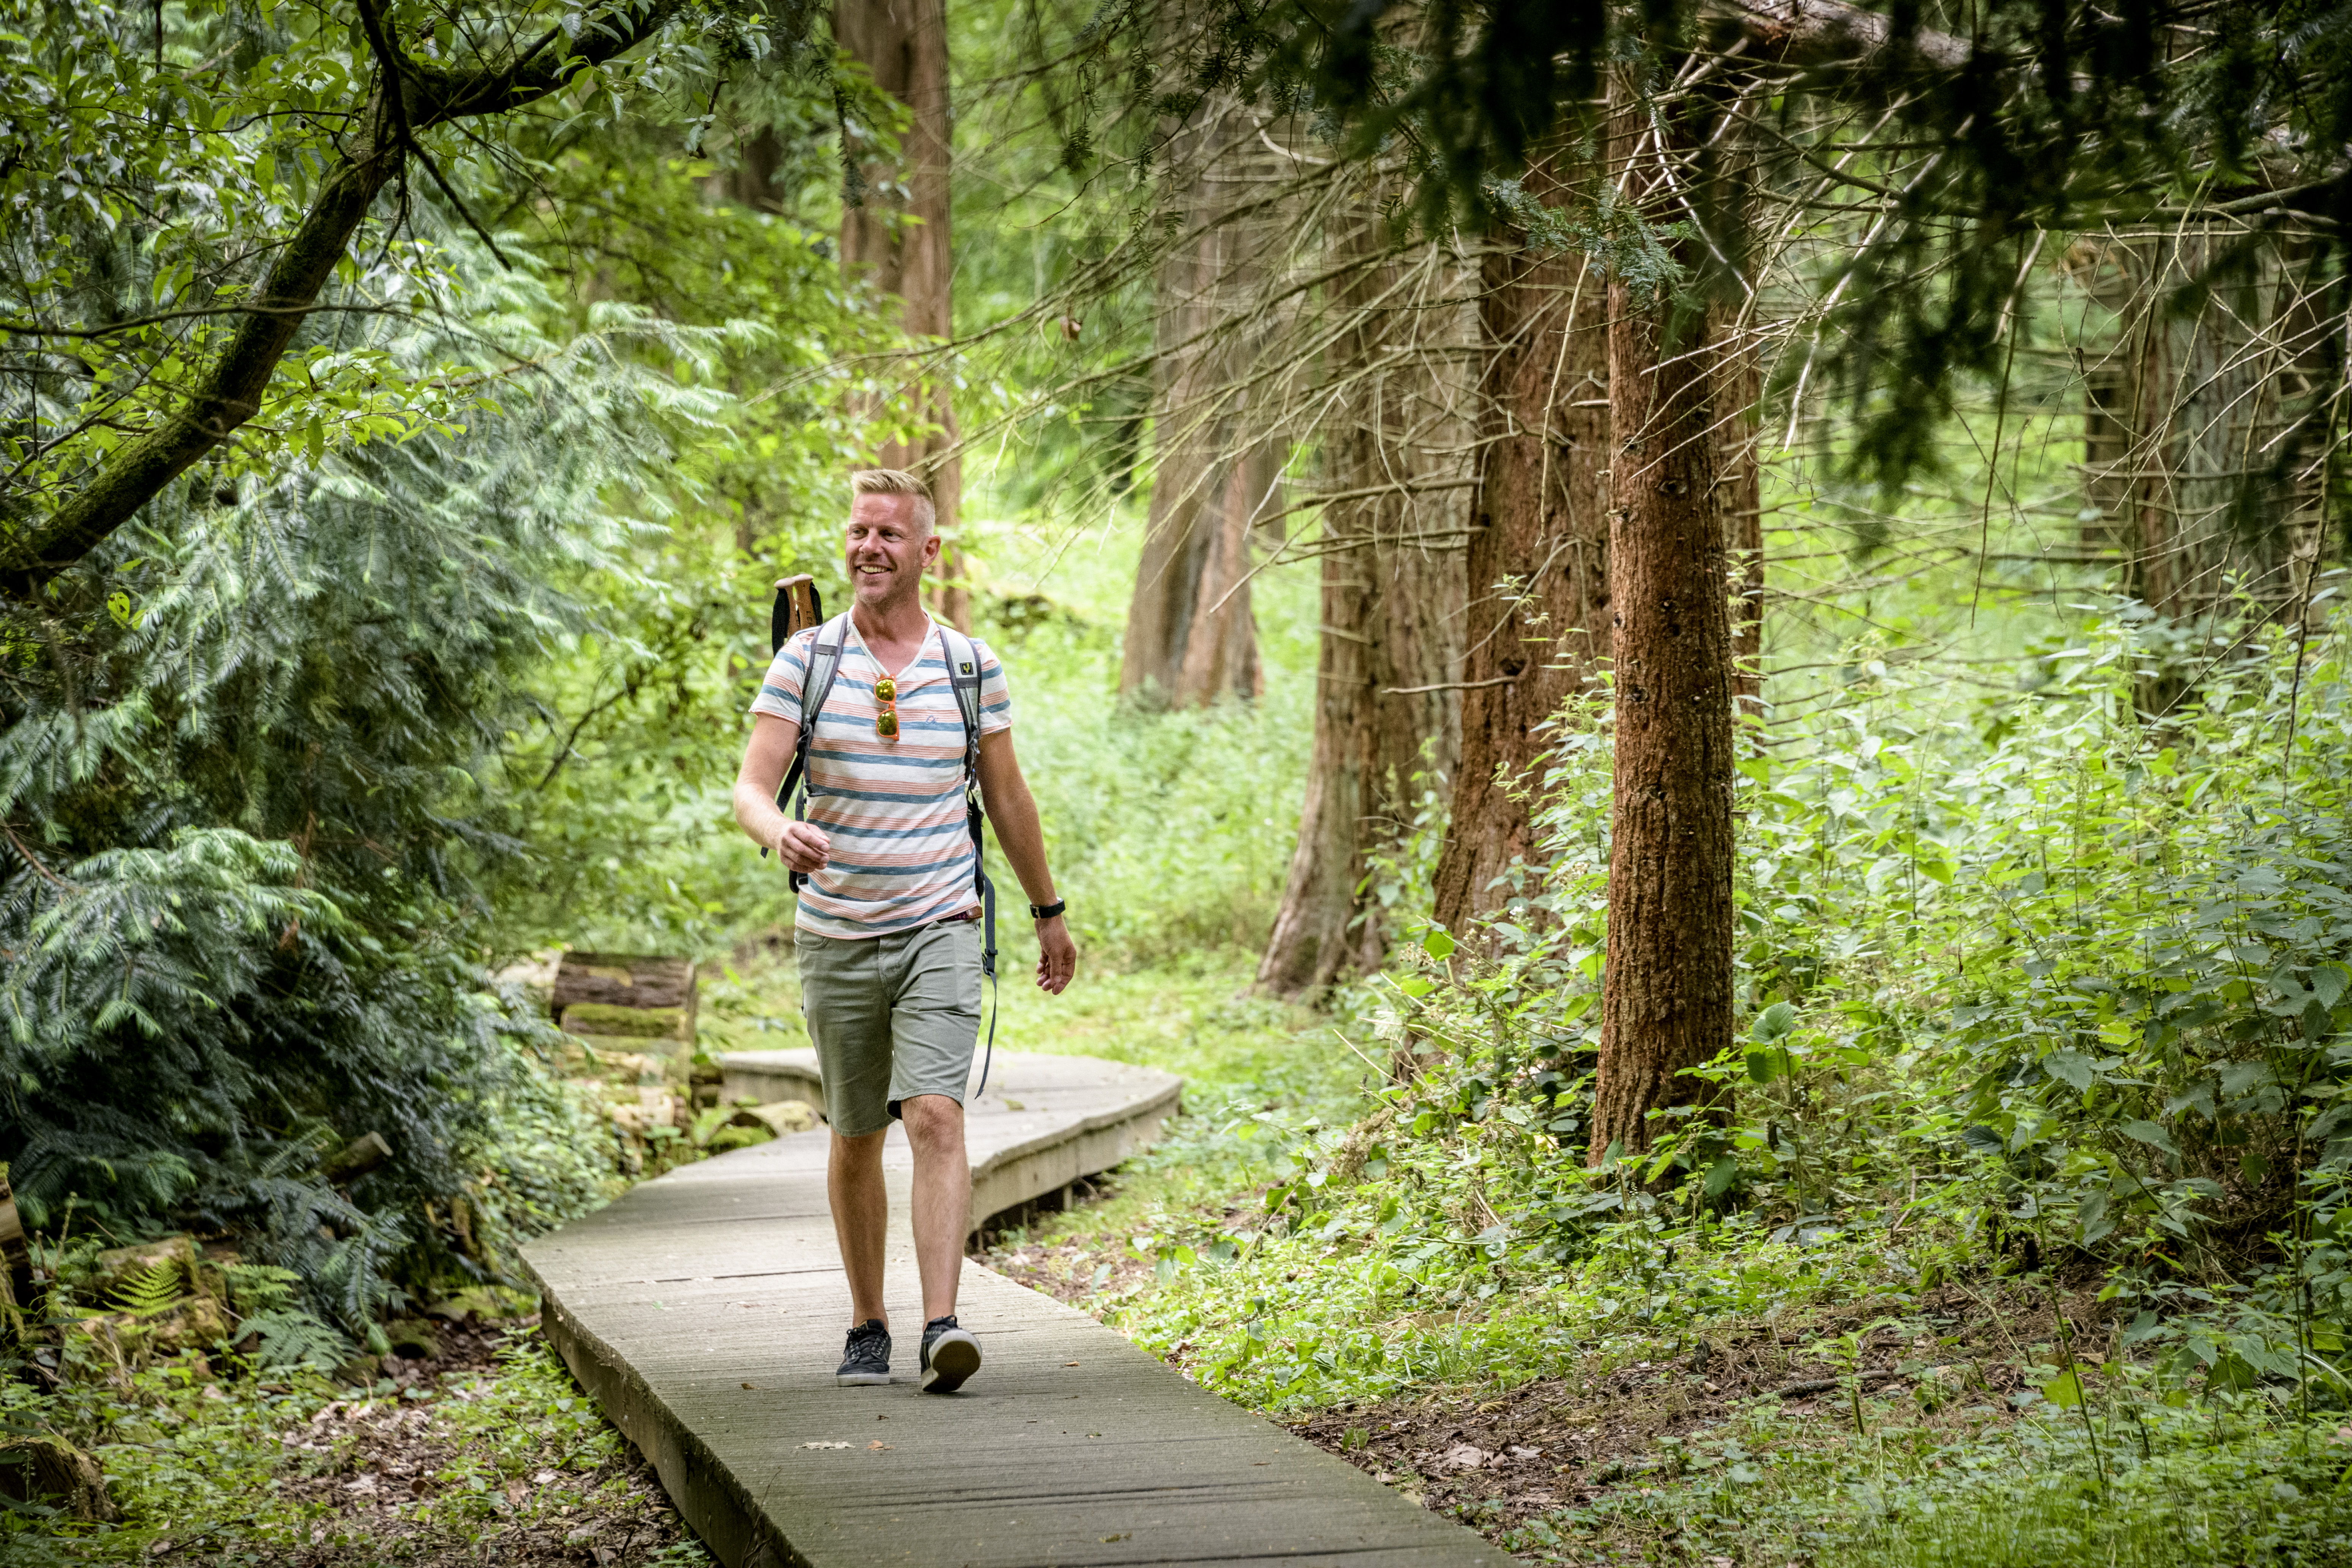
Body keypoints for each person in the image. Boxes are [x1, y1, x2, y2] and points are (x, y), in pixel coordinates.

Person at [733, 468, 1078, 1394]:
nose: (868, 548)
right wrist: (780, 832)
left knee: (933, 1113)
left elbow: (1006, 796)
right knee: (855, 1134)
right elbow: (752, 787)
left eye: (889, 534)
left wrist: (1049, 913)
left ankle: (941, 1326)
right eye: (857, 532)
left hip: (940, 922)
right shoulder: (806, 659)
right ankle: (867, 1324)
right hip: (838, 930)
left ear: (927, 552)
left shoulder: (970, 666)